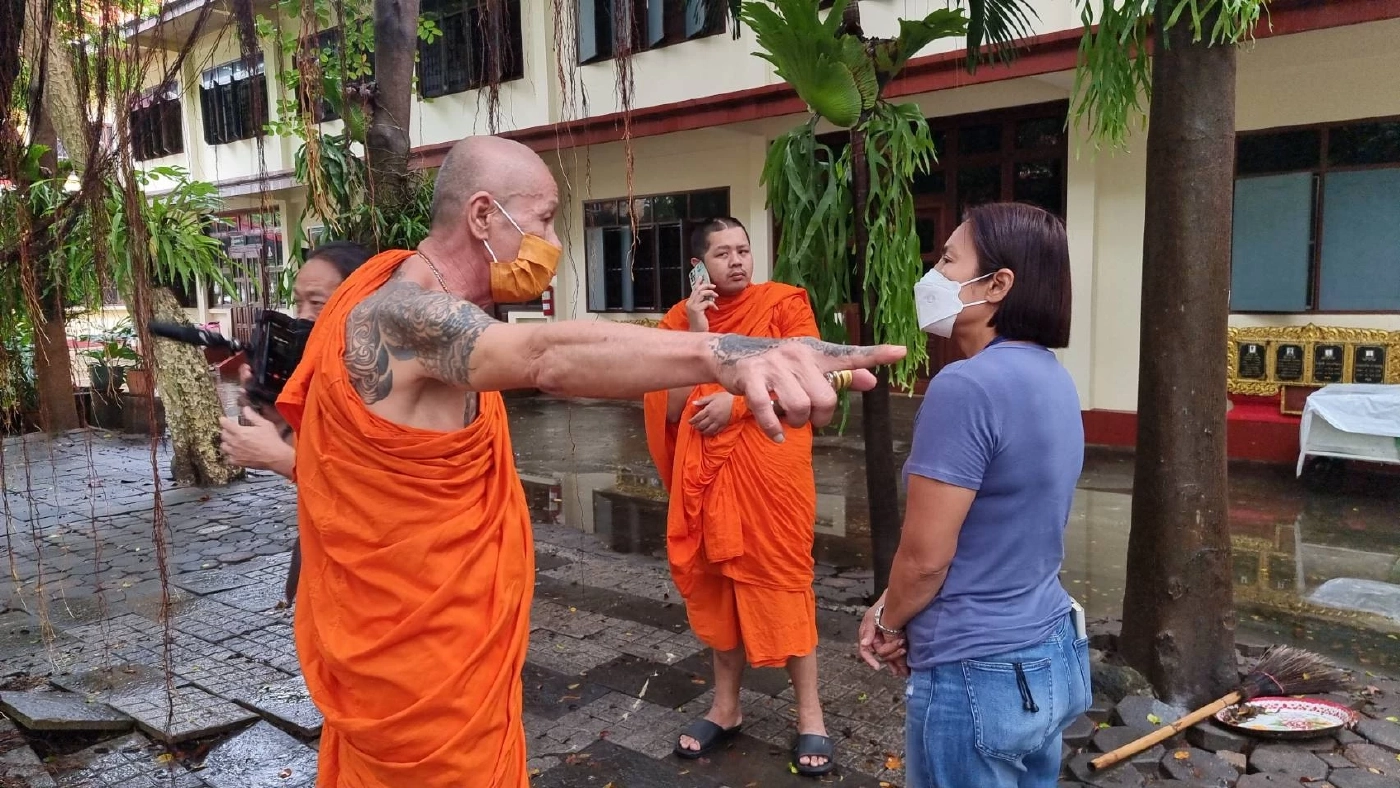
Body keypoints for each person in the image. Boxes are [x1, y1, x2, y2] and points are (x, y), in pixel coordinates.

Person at [274, 135, 905, 788]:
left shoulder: (447, 315)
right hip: (409, 675)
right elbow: (548, 355)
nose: (553, 241)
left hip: (460, 659)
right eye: (544, 219)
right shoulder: (394, 315)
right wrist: (720, 354)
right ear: (484, 216)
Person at [856, 202, 1090, 788]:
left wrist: (886, 618)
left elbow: (926, 557)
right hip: (1049, 653)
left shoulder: (965, 386)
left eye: (948, 260)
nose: (931, 275)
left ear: (997, 284)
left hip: (976, 669)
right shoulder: (1052, 376)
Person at [642, 217, 834, 777]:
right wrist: (699, 336)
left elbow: (812, 375)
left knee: (784, 583)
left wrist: (740, 403)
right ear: (699, 265)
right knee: (717, 586)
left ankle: (810, 715)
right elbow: (672, 409)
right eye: (723, 253)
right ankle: (726, 708)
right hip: (708, 480)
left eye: (744, 250)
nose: (738, 262)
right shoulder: (678, 322)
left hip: (772, 476)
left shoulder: (783, 306)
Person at [218, 240, 373, 606]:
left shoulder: (384, 380)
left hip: (373, 572)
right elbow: (317, 456)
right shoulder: (320, 370)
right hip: (321, 549)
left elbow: (368, 487)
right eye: (298, 302)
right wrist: (275, 418)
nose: (302, 316)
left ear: (361, 303)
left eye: (317, 303)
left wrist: (279, 459)